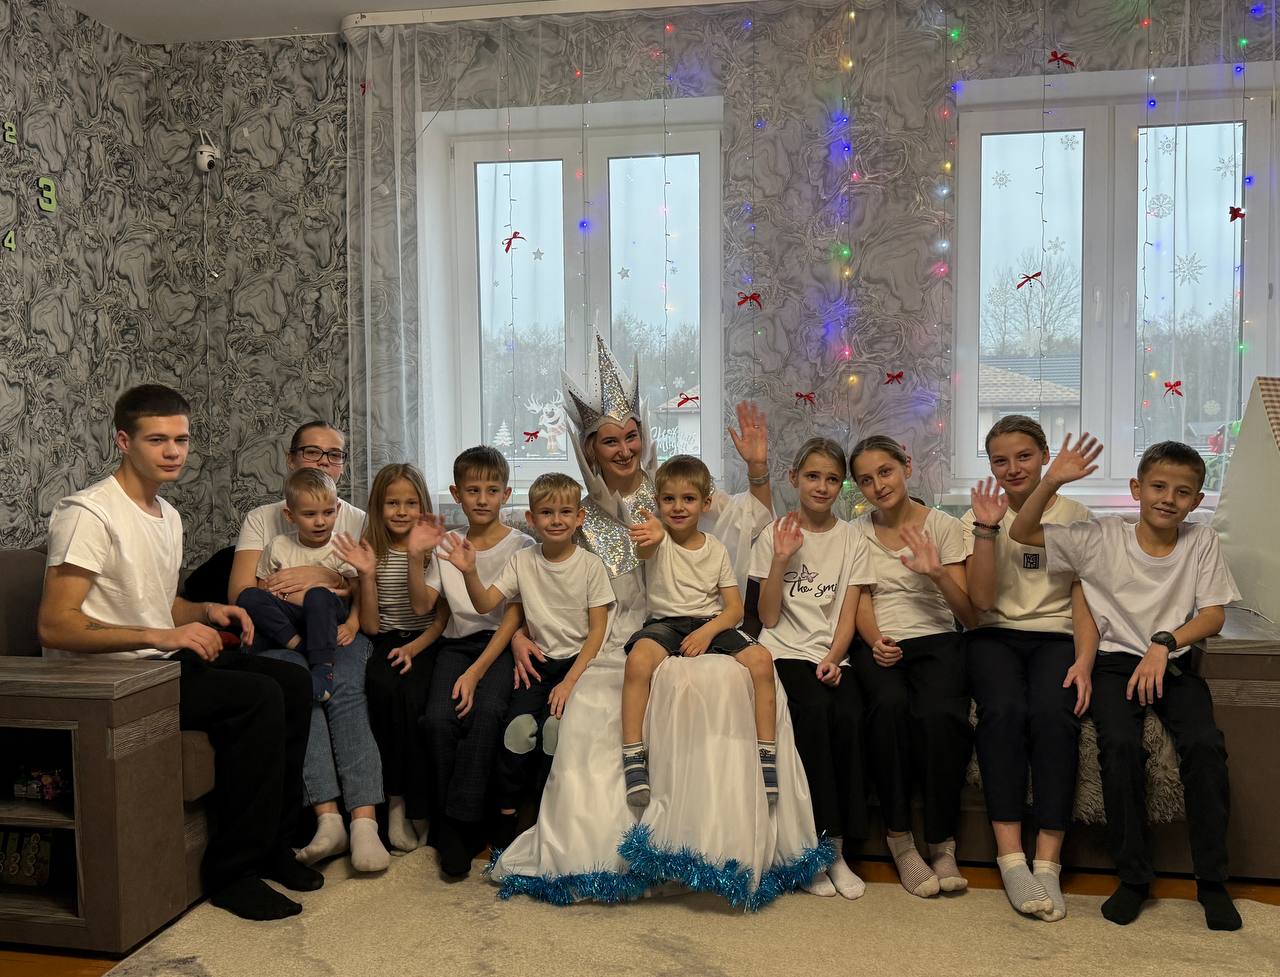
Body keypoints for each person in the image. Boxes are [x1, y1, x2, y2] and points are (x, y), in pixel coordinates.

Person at [491, 331, 828, 910]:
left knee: (725, 685)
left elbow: (749, 522)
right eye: (610, 440)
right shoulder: (576, 513)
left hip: (688, 626)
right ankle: (612, 856)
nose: (624, 449)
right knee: (591, 709)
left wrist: (757, 471)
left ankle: (715, 848)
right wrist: (518, 632)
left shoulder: (674, 489)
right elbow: (533, 575)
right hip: (612, 642)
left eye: (631, 436)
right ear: (590, 449)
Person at [37, 384, 321, 920]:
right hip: (107, 680)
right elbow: (56, 625)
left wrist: (207, 611)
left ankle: (274, 845)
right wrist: (162, 636)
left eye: (182, 440)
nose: (173, 452)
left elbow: (159, 605)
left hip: (154, 664)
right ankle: (232, 873)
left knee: (291, 680)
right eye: (157, 440)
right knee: (256, 697)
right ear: (124, 441)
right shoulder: (88, 514)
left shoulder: (166, 514)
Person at [1010, 436, 1242, 931]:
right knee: (1118, 746)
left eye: (1182, 492)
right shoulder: (1102, 536)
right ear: (1137, 489)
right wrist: (1051, 480)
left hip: (1170, 660)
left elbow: (1214, 615)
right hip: (1114, 664)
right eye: (1158, 486)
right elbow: (1022, 532)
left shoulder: (1201, 541)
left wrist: (1164, 642)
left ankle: (1212, 882)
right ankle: (1134, 877)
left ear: (1197, 500)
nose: (1168, 499)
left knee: (1205, 748)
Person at [227, 420, 385, 869]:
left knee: (345, 688)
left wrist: (321, 578)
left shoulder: (355, 518)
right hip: (282, 632)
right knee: (300, 687)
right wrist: (289, 598)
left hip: (337, 628)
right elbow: (242, 592)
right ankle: (327, 819)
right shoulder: (264, 520)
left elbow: (361, 588)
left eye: (334, 455)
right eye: (313, 452)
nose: (324, 462)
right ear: (292, 458)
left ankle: (365, 822)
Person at [962, 415, 1095, 921]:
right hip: (993, 634)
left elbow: (1084, 600)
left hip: (1057, 636)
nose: (1013, 468)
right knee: (1002, 712)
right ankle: (1011, 859)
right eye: (1001, 460)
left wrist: (1084, 661)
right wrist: (986, 530)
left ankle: (1048, 863)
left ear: (1044, 456)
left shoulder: (1076, 515)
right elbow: (979, 601)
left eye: (1024, 456)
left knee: (1054, 715)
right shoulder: (977, 515)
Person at [439, 472, 613, 843]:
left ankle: (545, 816)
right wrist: (469, 571)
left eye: (565, 512)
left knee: (554, 733)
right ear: (531, 519)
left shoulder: (590, 566)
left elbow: (597, 632)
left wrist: (570, 682)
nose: (556, 520)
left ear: (579, 517)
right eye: (546, 513)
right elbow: (486, 603)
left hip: (577, 666)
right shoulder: (523, 560)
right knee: (517, 732)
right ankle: (507, 815)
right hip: (538, 665)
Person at [850, 435, 976, 898]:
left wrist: (935, 572)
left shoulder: (943, 527)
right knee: (888, 708)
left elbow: (969, 615)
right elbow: (859, 598)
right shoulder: (855, 532)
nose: (878, 485)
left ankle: (942, 844)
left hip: (937, 638)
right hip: (879, 641)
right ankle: (900, 840)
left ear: (906, 466)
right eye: (866, 480)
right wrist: (874, 640)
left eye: (885, 472)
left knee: (940, 716)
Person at [749, 437, 874, 900]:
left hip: (830, 654)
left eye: (832, 479)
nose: (822, 486)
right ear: (794, 478)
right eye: (813, 476)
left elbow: (848, 612)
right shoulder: (774, 534)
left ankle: (838, 848)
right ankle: (814, 851)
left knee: (851, 715)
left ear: (842, 486)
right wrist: (781, 557)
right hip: (782, 652)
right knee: (815, 714)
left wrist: (834, 658)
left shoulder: (853, 539)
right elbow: (766, 617)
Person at [620, 455, 779, 807]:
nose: (678, 507)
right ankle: (633, 755)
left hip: (709, 621)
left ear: (705, 503)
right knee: (638, 662)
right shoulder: (657, 540)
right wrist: (654, 534)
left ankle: (767, 754)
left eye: (688, 499)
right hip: (664, 623)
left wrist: (707, 634)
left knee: (762, 661)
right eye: (669, 499)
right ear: (657, 502)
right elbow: (646, 546)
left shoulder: (716, 548)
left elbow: (734, 609)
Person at [415, 446, 535, 878]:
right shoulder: (447, 545)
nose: (482, 499)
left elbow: (513, 618)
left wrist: (475, 671)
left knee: (486, 713)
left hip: (501, 645)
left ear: (506, 494)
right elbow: (423, 605)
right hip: (455, 644)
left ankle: (459, 823)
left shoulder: (522, 546)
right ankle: (455, 820)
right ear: (456, 494)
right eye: (472, 490)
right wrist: (413, 556)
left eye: (491, 490)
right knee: (437, 719)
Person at [333, 463, 448, 854]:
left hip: (427, 641)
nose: (401, 511)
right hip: (385, 640)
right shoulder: (372, 551)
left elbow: (436, 616)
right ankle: (395, 803)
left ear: (422, 505)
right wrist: (366, 575)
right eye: (392, 503)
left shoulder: (433, 550)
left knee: (414, 700)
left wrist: (415, 648)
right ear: (378, 507)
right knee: (381, 690)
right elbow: (369, 625)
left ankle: (420, 807)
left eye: (410, 503)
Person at [236, 468, 360, 704]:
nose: (320, 521)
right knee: (248, 596)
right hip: (291, 615)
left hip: (327, 613)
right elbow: (263, 587)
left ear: (338, 509)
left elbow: (358, 589)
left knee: (317, 595)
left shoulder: (342, 546)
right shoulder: (279, 545)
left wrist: (353, 624)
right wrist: (279, 597)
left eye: (328, 512)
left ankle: (322, 668)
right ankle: (299, 645)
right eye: (309, 514)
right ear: (290, 515)